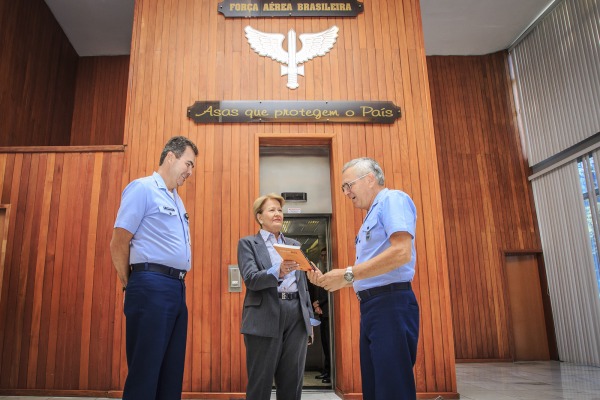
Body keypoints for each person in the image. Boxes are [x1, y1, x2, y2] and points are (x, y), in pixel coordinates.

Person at [308, 157, 419, 400]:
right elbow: (368, 269)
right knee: (375, 385)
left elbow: (401, 252)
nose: (347, 192)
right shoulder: (371, 215)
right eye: (343, 188)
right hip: (372, 306)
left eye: (349, 185)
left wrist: (348, 274)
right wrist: (332, 280)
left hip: (391, 304)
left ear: (370, 179)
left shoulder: (392, 199)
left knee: (392, 387)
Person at [110, 136, 199, 400]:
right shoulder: (143, 188)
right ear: (170, 156)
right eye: (188, 164)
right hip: (150, 286)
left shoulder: (176, 199)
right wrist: (131, 283)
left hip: (176, 288)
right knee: (145, 371)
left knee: (171, 372)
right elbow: (119, 241)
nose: (190, 172)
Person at [237, 193, 315, 400]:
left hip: (296, 316)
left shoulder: (293, 244)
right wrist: (277, 271)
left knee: (292, 380)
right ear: (259, 217)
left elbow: (302, 286)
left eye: (280, 210)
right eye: (272, 210)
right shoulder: (247, 244)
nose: (278, 214)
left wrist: (308, 322)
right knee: (260, 382)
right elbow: (251, 279)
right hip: (264, 315)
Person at [312, 248, 331, 384]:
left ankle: (330, 374)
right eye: (322, 255)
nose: (323, 257)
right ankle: (326, 370)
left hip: (329, 314)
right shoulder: (322, 270)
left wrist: (319, 303)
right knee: (325, 344)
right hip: (322, 314)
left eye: (325, 255)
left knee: (329, 345)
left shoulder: (330, 270)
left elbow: (329, 292)